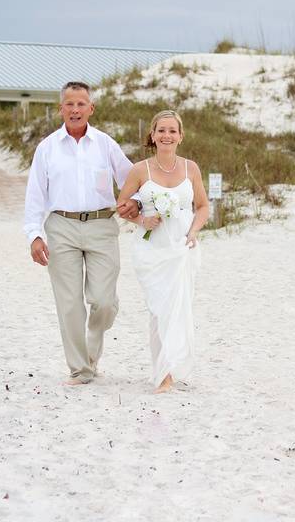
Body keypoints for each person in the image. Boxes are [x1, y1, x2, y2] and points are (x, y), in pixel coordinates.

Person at [23, 81, 139, 386]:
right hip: (61, 227)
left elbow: (132, 179)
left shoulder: (106, 144)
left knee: (102, 301)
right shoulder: (47, 148)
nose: (75, 110)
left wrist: (136, 203)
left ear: (91, 108)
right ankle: (81, 368)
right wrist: (34, 235)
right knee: (70, 303)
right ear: (60, 109)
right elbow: (35, 195)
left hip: (102, 226)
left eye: (81, 104)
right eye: (69, 104)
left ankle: (94, 340)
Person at [117, 110, 209, 393]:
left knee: (178, 308)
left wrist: (193, 231)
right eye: (161, 130)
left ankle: (168, 372)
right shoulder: (139, 170)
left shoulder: (190, 168)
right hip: (151, 248)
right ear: (153, 135)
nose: (166, 135)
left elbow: (203, 206)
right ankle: (162, 372)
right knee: (159, 310)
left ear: (181, 136)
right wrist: (142, 219)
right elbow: (121, 206)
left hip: (181, 247)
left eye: (172, 131)